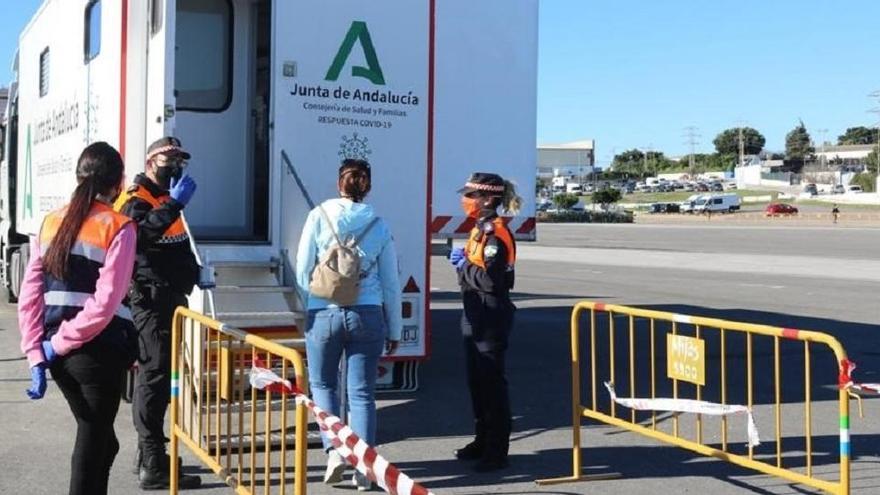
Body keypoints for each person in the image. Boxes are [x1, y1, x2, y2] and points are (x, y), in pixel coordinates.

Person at [18, 142, 138, 495]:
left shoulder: (51, 221)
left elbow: (30, 293)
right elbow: (105, 304)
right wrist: (52, 346)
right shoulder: (119, 226)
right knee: (91, 450)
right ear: (119, 183)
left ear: (78, 177)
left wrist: (36, 353)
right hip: (97, 354)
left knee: (104, 443)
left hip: (61, 359)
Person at [295, 159, 402, 491]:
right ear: (367, 186)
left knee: (324, 386)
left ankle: (336, 452)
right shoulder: (379, 224)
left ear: (339, 183)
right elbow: (391, 283)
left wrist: (310, 306)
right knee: (362, 394)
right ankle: (365, 467)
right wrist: (395, 328)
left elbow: (302, 270)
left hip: (323, 312)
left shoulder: (318, 215)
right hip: (367, 314)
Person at [113, 136, 201, 490]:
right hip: (150, 300)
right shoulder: (136, 198)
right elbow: (138, 240)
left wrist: (196, 272)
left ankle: (147, 455)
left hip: (169, 298)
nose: (176, 165)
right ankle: (152, 461)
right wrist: (174, 206)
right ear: (151, 161)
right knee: (153, 378)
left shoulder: (165, 198)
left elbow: (173, 245)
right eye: (169, 159)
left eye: (180, 159)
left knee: (161, 379)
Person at [449, 172, 521, 472]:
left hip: (490, 314)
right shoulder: (480, 230)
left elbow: (494, 282)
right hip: (475, 313)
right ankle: (482, 440)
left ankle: (496, 451)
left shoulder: (495, 234)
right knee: (476, 383)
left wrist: (464, 265)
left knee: (491, 384)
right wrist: (466, 265)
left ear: (488, 199)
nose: (466, 200)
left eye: (472, 196)